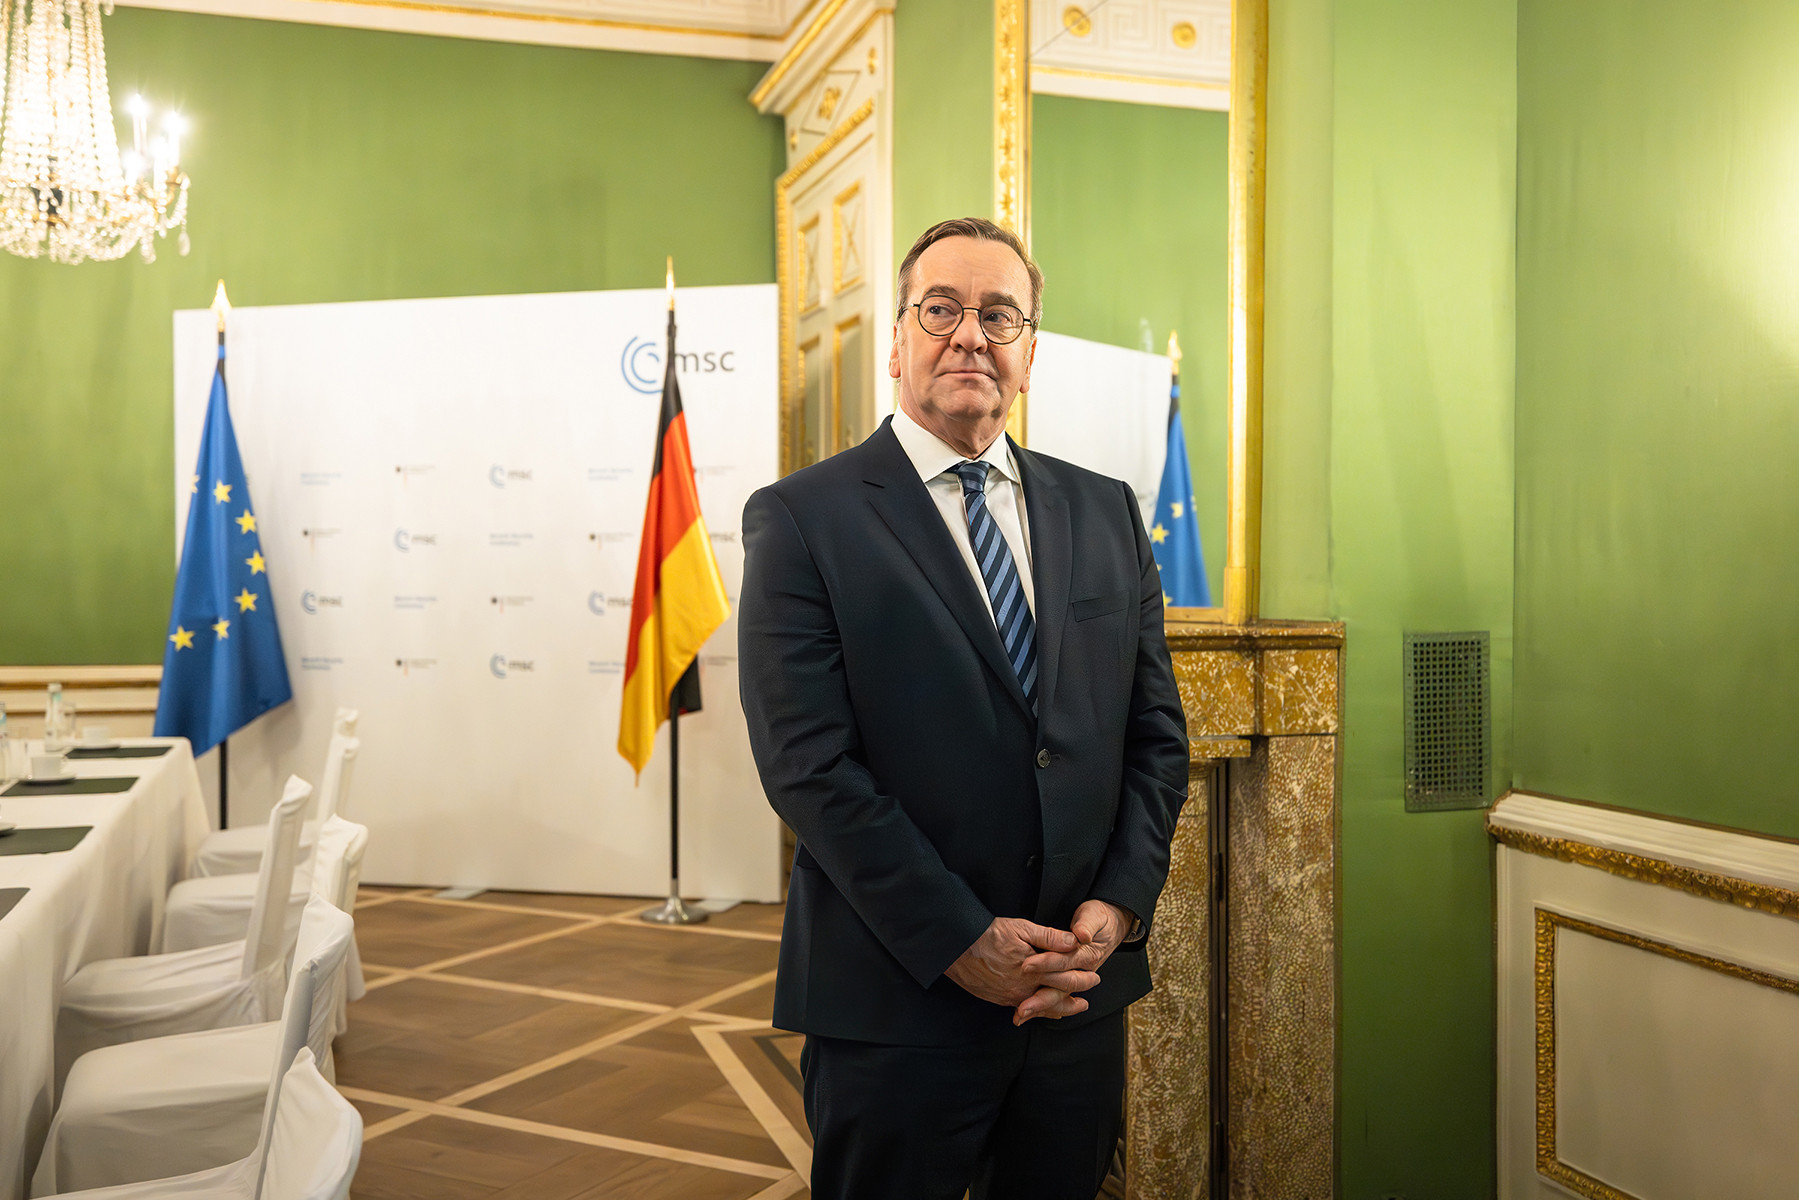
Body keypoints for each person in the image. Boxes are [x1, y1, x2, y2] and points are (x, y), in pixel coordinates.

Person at [737, 216, 1189, 1200]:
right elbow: (807, 766)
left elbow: (1154, 736)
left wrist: (1117, 906)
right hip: (896, 999)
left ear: (1029, 349)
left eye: (999, 314)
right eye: (940, 309)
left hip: (1074, 997)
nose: (970, 335)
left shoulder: (1106, 510)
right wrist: (958, 940)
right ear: (897, 341)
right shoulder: (803, 518)